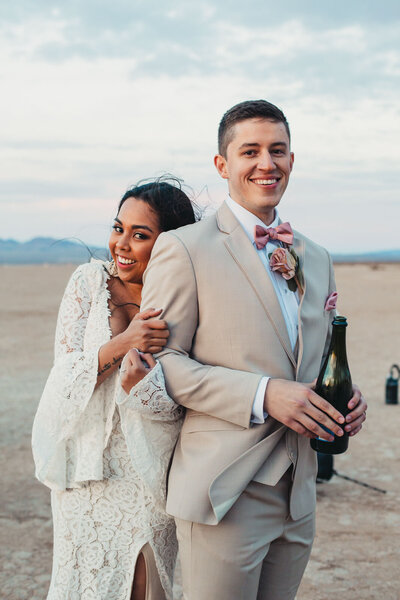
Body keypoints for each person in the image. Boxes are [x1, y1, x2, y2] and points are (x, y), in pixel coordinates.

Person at [140, 100, 368, 600]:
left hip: (300, 491)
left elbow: (320, 354)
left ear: (292, 160)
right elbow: (160, 365)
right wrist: (266, 394)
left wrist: (347, 400)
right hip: (226, 490)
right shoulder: (184, 248)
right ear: (223, 165)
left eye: (278, 150)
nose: (267, 163)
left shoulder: (317, 256)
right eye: (251, 151)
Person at [32, 178, 197, 600]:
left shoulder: (184, 301)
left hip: (147, 472)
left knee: (141, 586)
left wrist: (137, 384)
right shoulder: (87, 283)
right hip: (84, 475)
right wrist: (125, 343)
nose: (121, 244)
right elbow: (62, 379)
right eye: (118, 228)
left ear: (170, 245)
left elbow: (184, 401)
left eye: (140, 235)